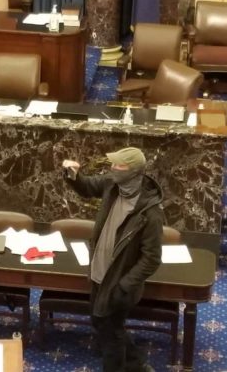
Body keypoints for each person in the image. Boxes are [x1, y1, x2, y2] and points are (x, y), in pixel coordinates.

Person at [62, 147, 163, 372]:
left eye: (119, 165)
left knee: (111, 332)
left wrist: (124, 285)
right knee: (100, 322)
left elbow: (152, 258)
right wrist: (73, 174)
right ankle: (137, 364)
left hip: (118, 283)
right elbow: (87, 187)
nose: (113, 168)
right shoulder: (112, 184)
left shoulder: (150, 213)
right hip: (99, 273)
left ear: (134, 171)